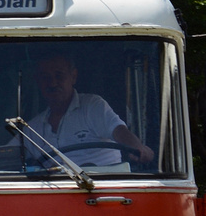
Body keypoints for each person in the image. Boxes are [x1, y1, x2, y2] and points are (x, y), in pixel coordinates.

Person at [11, 53, 155, 168]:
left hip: (104, 191)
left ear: (73, 76)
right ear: (38, 81)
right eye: (45, 78)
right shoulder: (32, 128)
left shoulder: (93, 106)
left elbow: (119, 131)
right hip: (56, 196)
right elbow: (4, 156)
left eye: (59, 75)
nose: (53, 83)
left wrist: (137, 147)